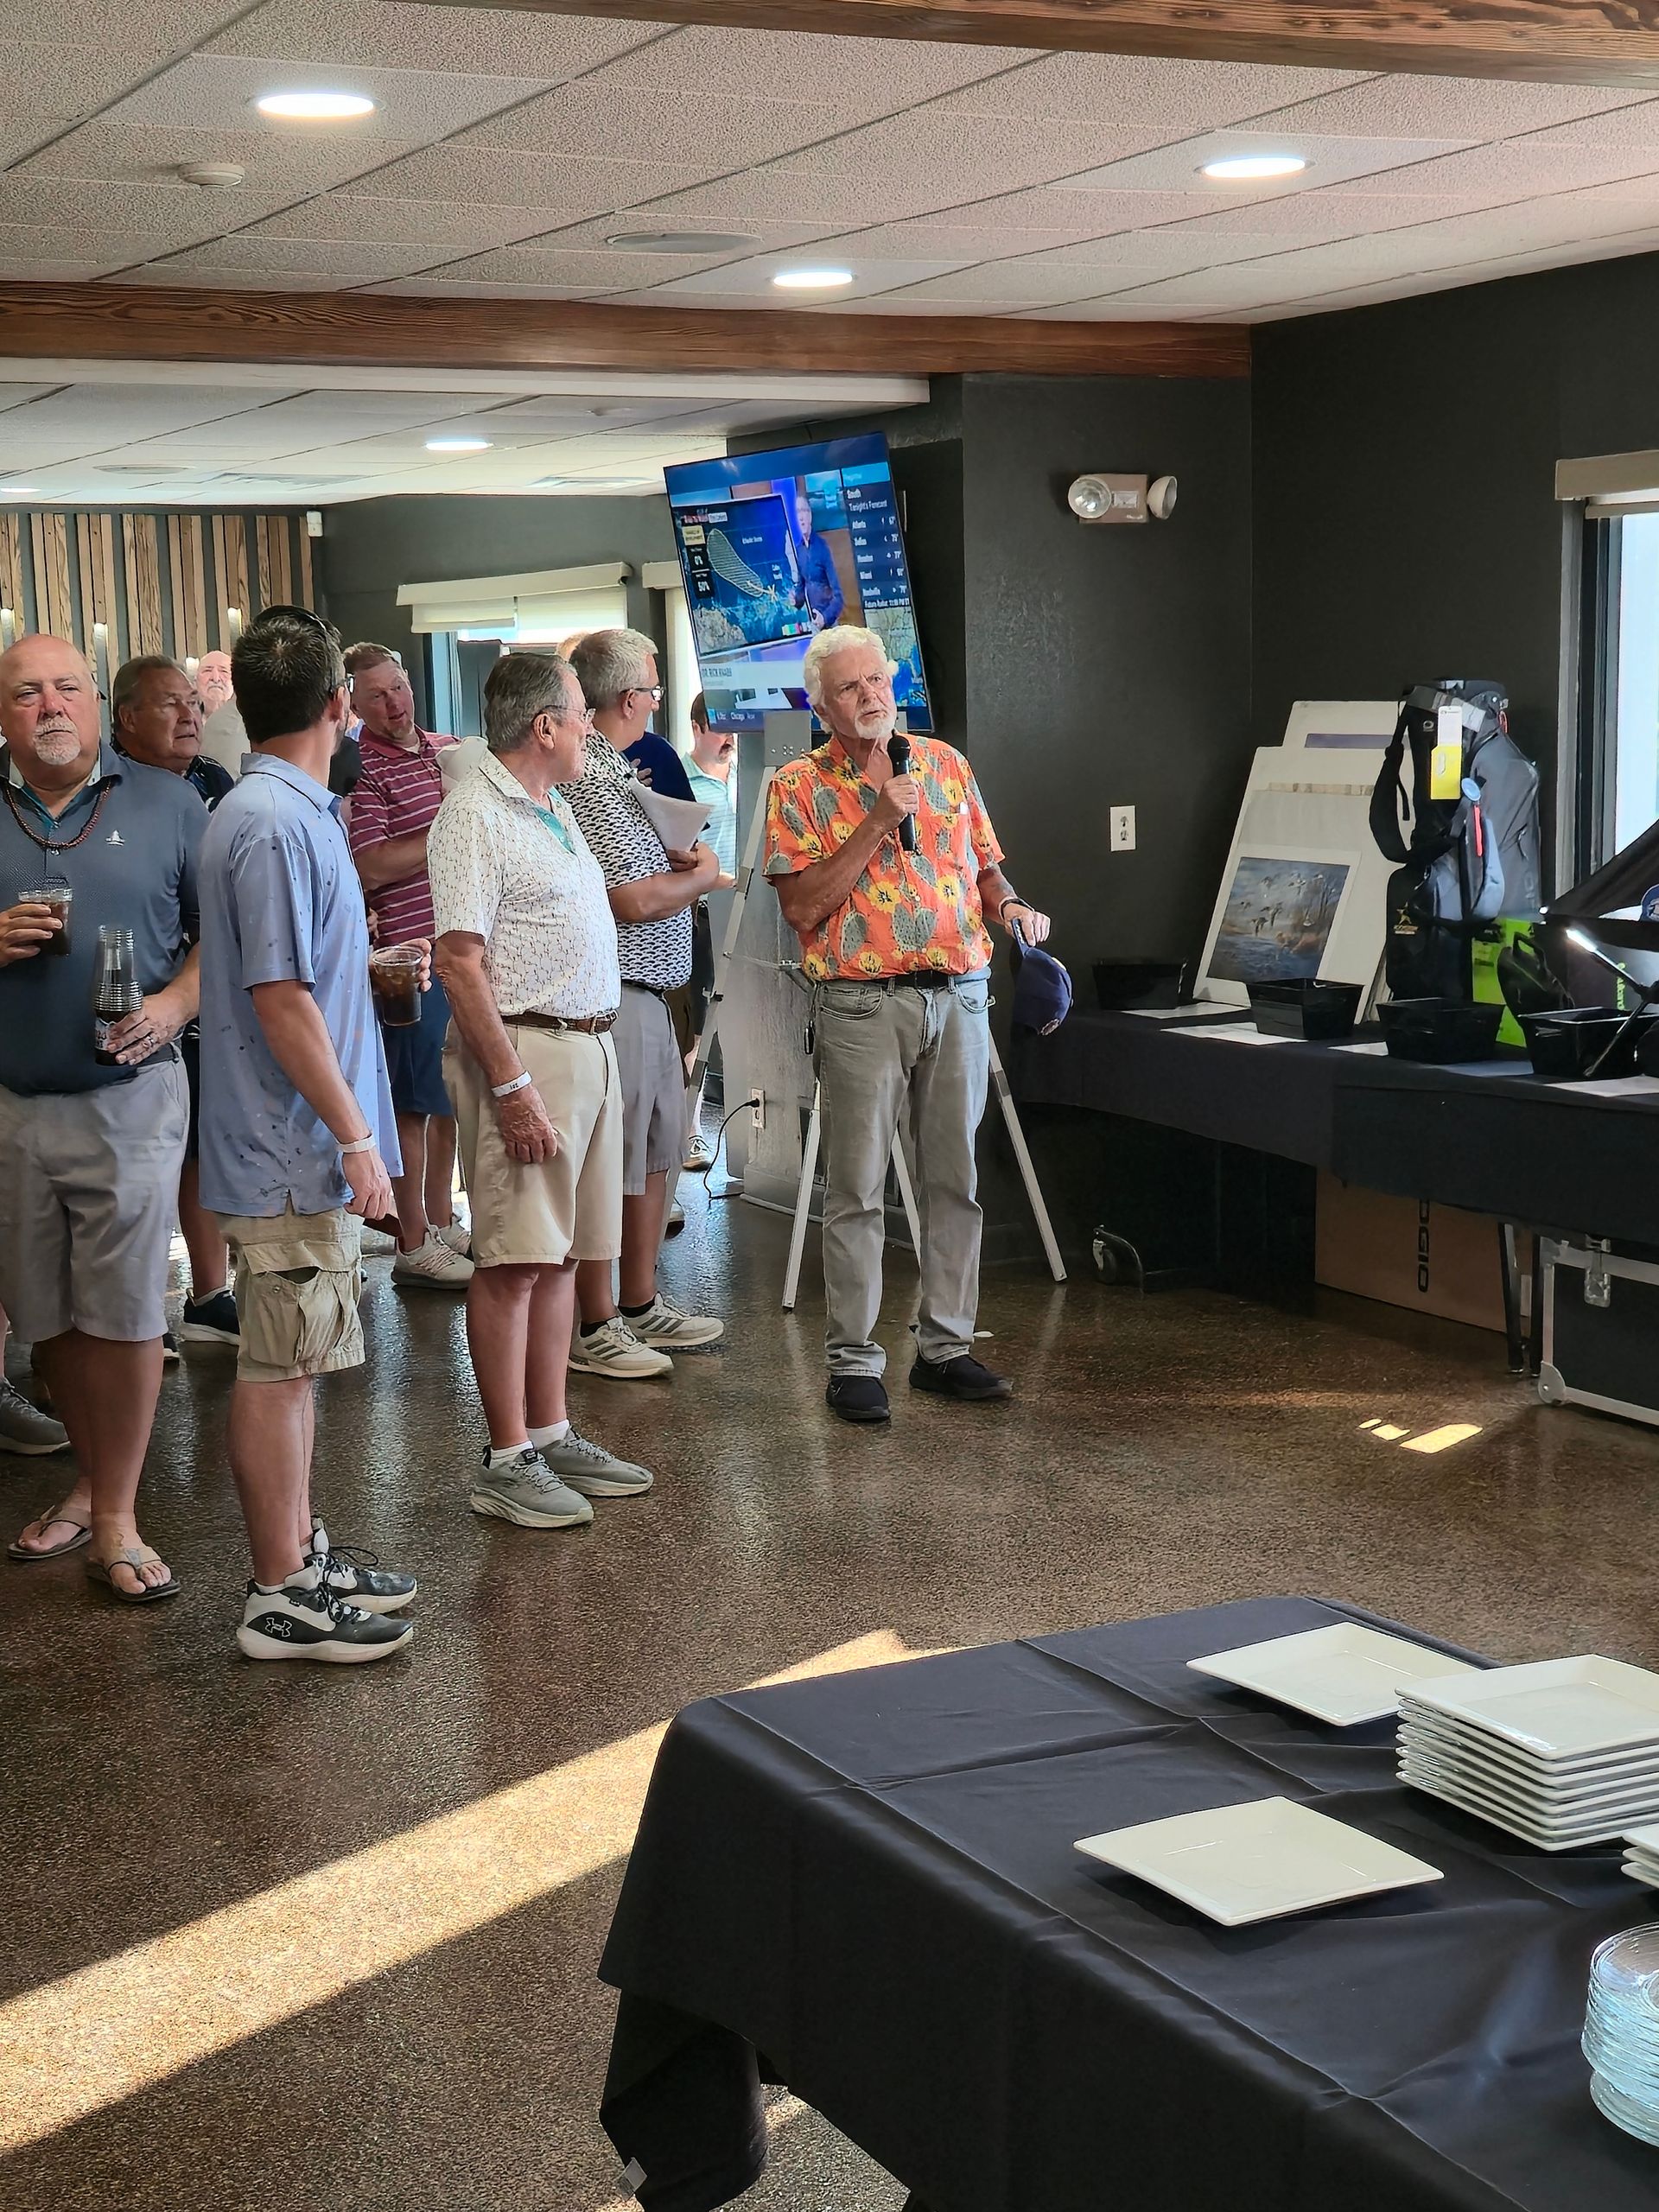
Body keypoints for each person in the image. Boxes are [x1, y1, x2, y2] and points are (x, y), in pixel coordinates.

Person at [196, 607, 416, 1662]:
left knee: (301, 1360)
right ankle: (277, 1593)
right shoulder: (274, 822)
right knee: (278, 1369)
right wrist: (358, 1137)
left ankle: (301, 1551)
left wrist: (365, 974)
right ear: (339, 704)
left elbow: (297, 976)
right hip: (288, 1149)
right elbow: (279, 1001)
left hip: (299, 1145)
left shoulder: (291, 809)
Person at [765, 625, 1051, 1427]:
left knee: (955, 1182)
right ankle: (854, 1362)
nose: (871, 697)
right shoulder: (797, 786)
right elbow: (802, 908)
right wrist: (875, 822)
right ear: (821, 706)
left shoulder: (945, 764)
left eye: (878, 681)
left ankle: (946, 1349)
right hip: (862, 1004)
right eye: (851, 688)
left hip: (959, 996)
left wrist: (1013, 908)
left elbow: (985, 869)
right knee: (857, 1189)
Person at [429, 650, 653, 1527]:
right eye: (581, 713)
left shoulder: (550, 803)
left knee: (564, 1254)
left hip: (587, 1044)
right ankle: (505, 1456)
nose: (593, 726)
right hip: (528, 1049)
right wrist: (512, 1085)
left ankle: (550, 1431)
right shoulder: (474, 814)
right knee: (515, 1258)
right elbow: (459, 961)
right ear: (546, 725)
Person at [0, 632, 203, 1597]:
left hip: (130, 1096)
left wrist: (174, 1005)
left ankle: (116, 1514)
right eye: (26, 692)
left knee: (122, 1314)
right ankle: (89, 1485)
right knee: (47, 1317)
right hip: (11, 1106)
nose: (50, 706)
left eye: (66, 688)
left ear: (95, 703)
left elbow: (222, 937)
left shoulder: (168, 801)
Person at [563, 632, 724, 1377]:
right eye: (654, 691)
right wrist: (705, 874)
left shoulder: (616, 766)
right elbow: (629, 899)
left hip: (654, 989)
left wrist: (677, 863)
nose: (656, 703)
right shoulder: (593, 776)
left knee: (658, 1151)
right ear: (630, 699)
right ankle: (595, 1323)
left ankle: (638, 1300)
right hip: (618, 989)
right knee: (616, 1161)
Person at [111, 653, 240, 1349]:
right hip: (128, 1005)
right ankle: (125, 1320)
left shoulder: (212, 782)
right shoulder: (104, 792)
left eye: (194, 701)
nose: (191, 715)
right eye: (172, 704)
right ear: (126, 718)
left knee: (199, 1145)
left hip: (207, 993)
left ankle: (209, 1293)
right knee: (137, 1169)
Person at [344, 641, 471, 1290]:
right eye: (376, 696)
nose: (394, 704)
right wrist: (453, 820)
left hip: (468, 951)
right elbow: (370, 865)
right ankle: (413, 1241)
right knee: (413, 1104)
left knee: (452, 1098)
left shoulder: (451, 750)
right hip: (410, 962)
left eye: (399, 688)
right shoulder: (360, 767)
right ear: (353, 706)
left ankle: (443, 1221)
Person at [790, 487, 844, 632]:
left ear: (810, 516)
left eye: (803, 511)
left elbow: (839, 597)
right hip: (813, 626)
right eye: (797, 512)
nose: (801, 517)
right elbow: (801, 591)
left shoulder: (823, 549)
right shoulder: (799, 551)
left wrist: (825, 618)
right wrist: (796, 600)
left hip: (830, 626)